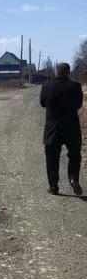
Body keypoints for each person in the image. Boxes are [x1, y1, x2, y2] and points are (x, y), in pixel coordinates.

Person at [40, 62, 83, 195]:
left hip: (53, 127)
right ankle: (73, 178)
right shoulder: (76, 86)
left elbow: (42, 103)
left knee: (52, 157)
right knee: (75, 155)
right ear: (68, 72)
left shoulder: (47, 85)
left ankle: (53, 186)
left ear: (56, 71)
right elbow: (79, 105)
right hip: (72, 126)